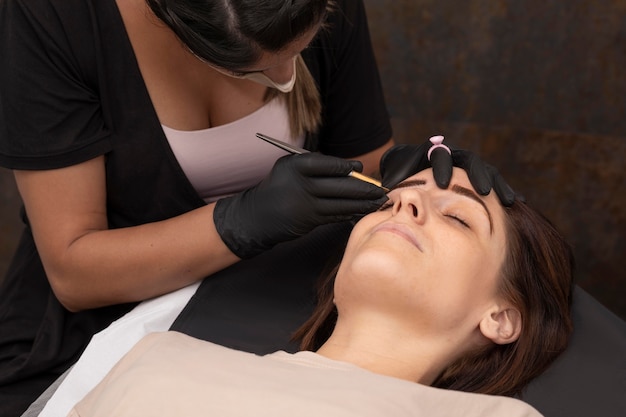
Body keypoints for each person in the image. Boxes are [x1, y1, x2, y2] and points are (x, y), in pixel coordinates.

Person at [0, 0, 514, 413]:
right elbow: (72, 272)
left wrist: (405, 171)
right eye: (262, 68)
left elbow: (369, 167)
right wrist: (241, 222)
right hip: (80, 329)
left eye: (457, 216)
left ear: (503, 318)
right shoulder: (57, 17)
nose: (292, 72)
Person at [64, 166, 575, 416]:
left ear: (502, 316)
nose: (407, 204)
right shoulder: (157, 355)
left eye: (459, 218)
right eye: (394, 199)